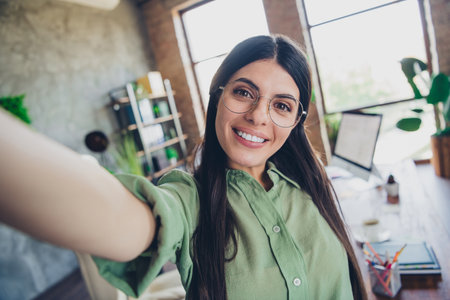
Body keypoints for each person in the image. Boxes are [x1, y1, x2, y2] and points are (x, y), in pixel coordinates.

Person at [0, 34, 366, 300]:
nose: (258, 116)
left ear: (296, 120)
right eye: (243, 92)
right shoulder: (190, 199)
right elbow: (123, 220)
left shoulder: (310, 184)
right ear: (218, 96)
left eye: (282, 105)